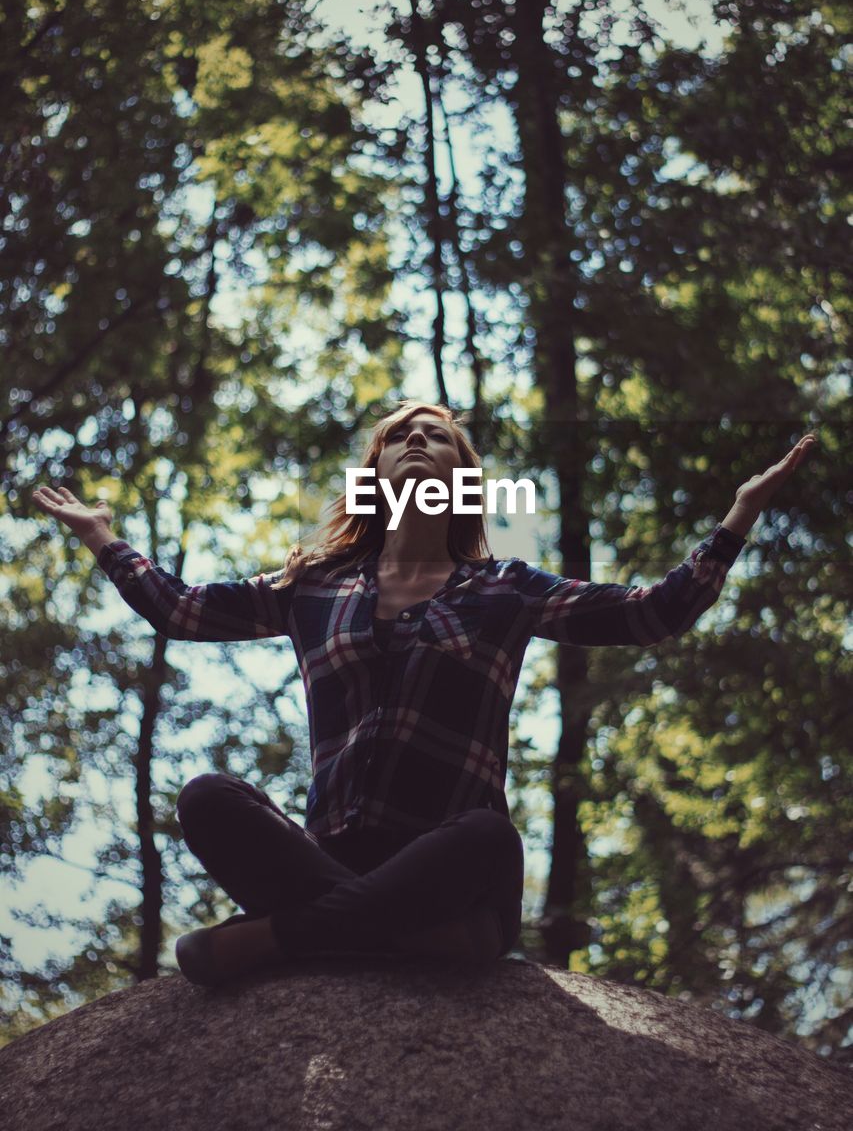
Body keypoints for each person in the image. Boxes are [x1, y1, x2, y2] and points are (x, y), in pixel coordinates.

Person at [32, 404, 818, 986]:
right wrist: (103, 535)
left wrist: (737, 517)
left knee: (487, 833)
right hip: (328, 859)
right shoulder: (315, 586)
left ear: (463, 479)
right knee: (208, 797)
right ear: (373, 474)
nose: (415, 439)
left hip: (450, 867)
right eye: (397, 435)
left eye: (435, 434)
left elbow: (652, 613)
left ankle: (283, 939)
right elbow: (182, 611)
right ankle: (409, 938)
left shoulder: (506, 588)